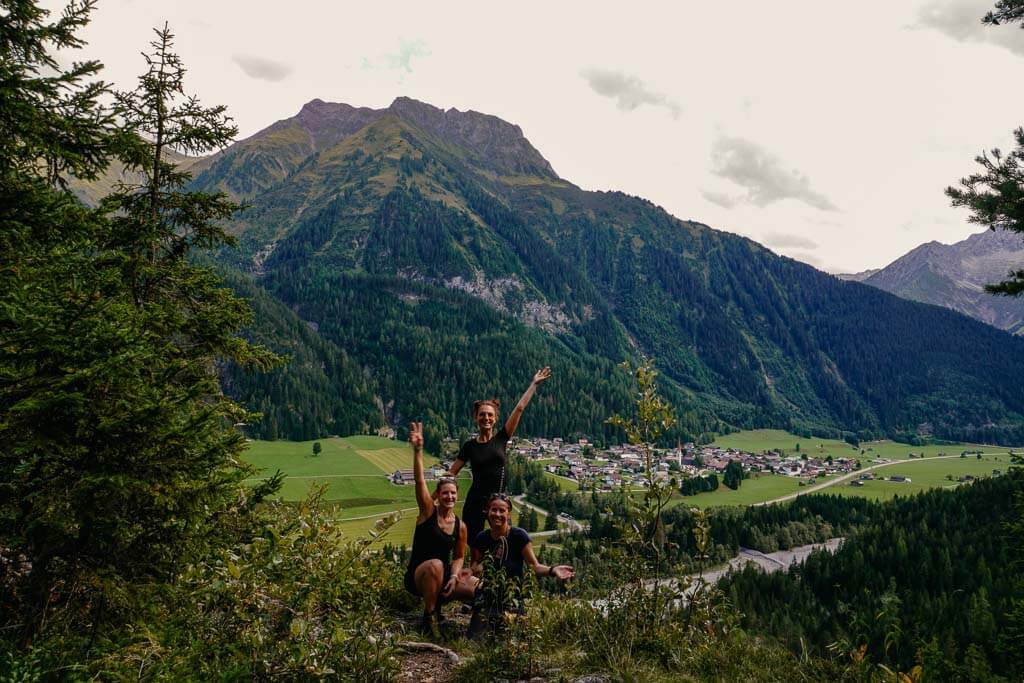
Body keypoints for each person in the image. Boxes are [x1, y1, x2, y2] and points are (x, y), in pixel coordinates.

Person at [448, 367, 551, 541]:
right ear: (476, 417)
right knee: (474, 545)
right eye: (482, 415)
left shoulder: (501, 438)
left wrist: (533, 384)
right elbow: (451, 474)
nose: (486, 418)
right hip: (475, 502)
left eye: (490, 415)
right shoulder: (469, 446)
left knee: (504, 542)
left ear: (495, 419)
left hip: (498, 501)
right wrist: (430, 500)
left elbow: (519, 409)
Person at [404, 422, 477, 639]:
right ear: (438, 495)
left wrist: (455, 576)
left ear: (457, 495)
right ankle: (430, 617)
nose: (450, 497)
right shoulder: (428, 512)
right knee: (435, 564)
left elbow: (459, 556)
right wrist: (417, 451)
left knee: (476, 587)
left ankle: (483, 627)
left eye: (453, 493)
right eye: (445, 493)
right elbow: (419, 481)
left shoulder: (459, 526)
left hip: (445, 577)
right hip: (419, 576)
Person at [467, 492, 574, 639]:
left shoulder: (518, 536)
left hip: (512, 598)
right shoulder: (482, 538)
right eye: (494, 510)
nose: (497, 514)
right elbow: (474, 566)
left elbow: (533, 566)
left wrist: (552, 570)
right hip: (487, 598)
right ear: (488, 511)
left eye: (502, 510)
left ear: (509, 514)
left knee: (511, 639)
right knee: (475, 641)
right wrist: (477, 569)